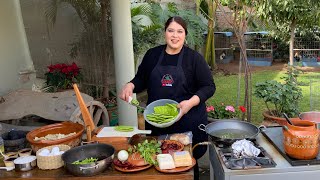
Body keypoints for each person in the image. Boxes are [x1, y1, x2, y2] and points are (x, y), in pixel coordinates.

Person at [119, 16, 215, 179]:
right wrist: (131, 85)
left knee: (187, 166)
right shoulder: (152, 55)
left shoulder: (194, 59)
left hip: (188, 124)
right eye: (171, 30)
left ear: (185, 34)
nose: (175, 35)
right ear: (165, 33)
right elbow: (142, 79)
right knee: (160, 163)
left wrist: (190, 103)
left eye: (180, 31)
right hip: (158, 124)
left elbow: (209, 87)